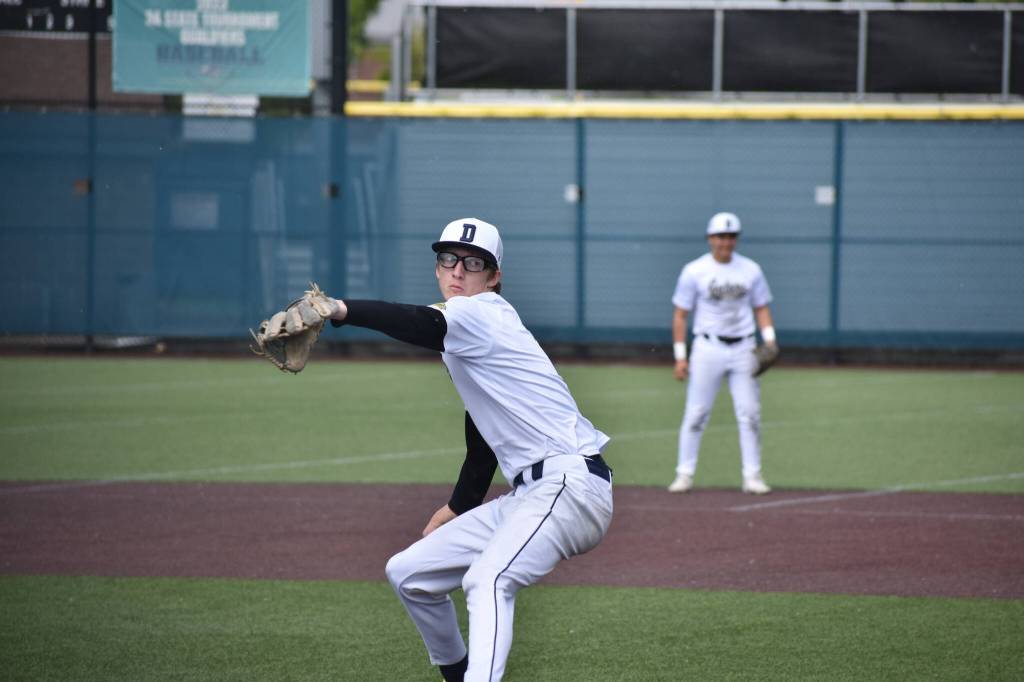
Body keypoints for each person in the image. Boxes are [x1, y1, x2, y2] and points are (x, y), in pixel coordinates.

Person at [323, 218, 614, 682]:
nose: (458, 271)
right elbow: (483, 437)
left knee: (487, 579)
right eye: (448, 259)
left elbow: (419, 321)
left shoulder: (481, 312)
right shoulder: (468, 333)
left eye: (473, 262)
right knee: (409, 573)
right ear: (437, 268)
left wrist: (339, 309)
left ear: (493, 276)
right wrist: (458, 506)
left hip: (570, 486)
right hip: (532, 495)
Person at [668, 212, 777, 495]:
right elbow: (680, 315)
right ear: (709, 238)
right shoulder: (694, 271)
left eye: (730, 236)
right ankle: (684, 473)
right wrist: (680, 356)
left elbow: (761, 306)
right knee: (696, 413)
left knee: (750, 413)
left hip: (744, 346)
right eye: (720, 236)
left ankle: (752, 476)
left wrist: (770, 340)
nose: (725, 242)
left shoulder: (751, 270)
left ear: (736, 239)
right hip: (707, 346)